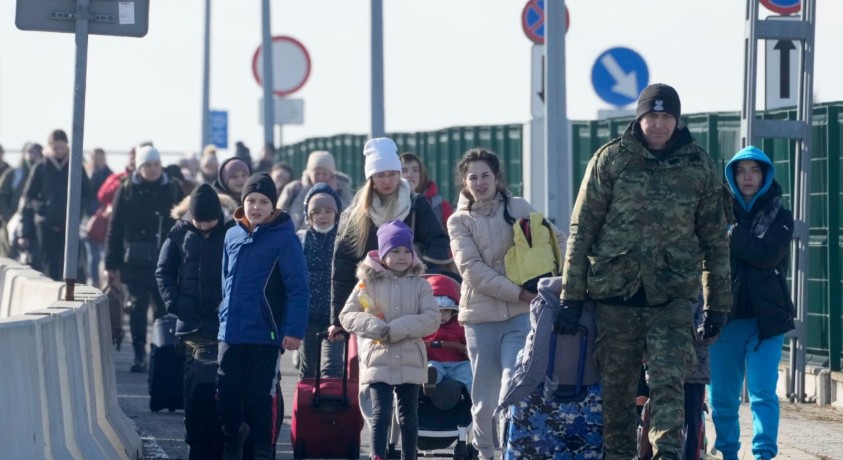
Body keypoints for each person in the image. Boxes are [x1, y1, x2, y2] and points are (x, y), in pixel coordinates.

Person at [556, 83, 731, 460]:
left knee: (669, 384)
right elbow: (582, 229)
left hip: (671, 298)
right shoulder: (611, 160)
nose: (659, 124)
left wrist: (717, 306)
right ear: (639, 117)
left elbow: (716, 241)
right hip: (615, 298)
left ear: (678, 120)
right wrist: (571, 296)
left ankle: (667, 454)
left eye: (668, 116)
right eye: (652, 115)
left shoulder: (699, 165)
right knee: (618, 396)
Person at [447, 147, 564, 460]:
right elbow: (471, 271)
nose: (480, 182)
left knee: (512, 386)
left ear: (496, 177)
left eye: (486, 175)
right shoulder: (458, 221)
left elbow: (555, 241)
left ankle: (513, 452)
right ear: (464, 182)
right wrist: (520, 293)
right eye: (473, 177)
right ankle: (486, 452)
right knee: (484, 399)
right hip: (481, 318)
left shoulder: (518, 207)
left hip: (520, 316)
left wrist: (572, 274)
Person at [708, 146, 794, 460]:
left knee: (762, 393)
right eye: (741, 170)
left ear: (765, 175)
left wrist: (732, 234)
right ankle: (728, 452)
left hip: (767, 321)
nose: (748, 176)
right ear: (731, 174)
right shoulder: (714, 211)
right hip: (723, 318)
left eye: (755, 170)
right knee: (722, 397)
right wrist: (736, 234)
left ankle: (763, 454)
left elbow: (767, 254)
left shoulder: (780, 214)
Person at [217, 172, 308, 460]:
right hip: (230, 333)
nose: (256, 207)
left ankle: (262, 451)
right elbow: (225, 280)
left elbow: (298, 287)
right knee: (226, 396)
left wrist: (293, 330)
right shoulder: (231, 234)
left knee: (260, 400)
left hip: (265, 336)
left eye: (263, 201)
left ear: (273, 206)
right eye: (251, 200)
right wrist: (222, 316)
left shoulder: (285, 240)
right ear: (243, 203)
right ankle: (233, 435)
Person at [328, 137, 451, 342]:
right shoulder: (356, 214)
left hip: (410, 301)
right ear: (371, 178)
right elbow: (342, 266)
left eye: (393, 174)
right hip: (371, 305)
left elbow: (438, 241)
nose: (387, 181)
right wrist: (338, 319)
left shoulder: (415, 204)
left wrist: (422, 274)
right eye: (380, 175)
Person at [339, 220, 440, 460]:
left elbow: (432, 318)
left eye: (407, 250)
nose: (402, 256)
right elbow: (347, 315)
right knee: (380, 413)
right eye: (395, 250)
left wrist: (397, 328)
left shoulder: (420, 285)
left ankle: (409, 456)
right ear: (383, 254)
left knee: (408, 417)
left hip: (410, 358)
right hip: (379, 357)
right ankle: (377, 455)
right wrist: (375, 327)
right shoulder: (367, 284)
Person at [155, 183, 234, 459]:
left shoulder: (233, 232)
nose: (202, 226)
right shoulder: (179, 233)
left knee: (222, 384)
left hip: (224, 323)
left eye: (208, 221)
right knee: (193, 384)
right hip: (190, 325)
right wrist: (174, 303)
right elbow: (164, 271)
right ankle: (196, 438)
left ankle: (222, 440)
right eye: (197, 221)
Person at [105, 145, 185, 372]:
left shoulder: (172, 187)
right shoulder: (127, 189)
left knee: (163, 309)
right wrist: (111, 264)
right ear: (139, 167)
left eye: (156, 164)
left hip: (165, 259)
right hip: (135, 262)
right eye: (147, 165)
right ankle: (139, 352)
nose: (152, 169)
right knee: (138, 306)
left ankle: (159, 352)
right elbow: (115, 227)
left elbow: (184, 222)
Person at [19, 129, 92, 280]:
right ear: (49, 148)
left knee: (71, 267)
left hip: (69, 226)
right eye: (55, 148)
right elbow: (28, 196)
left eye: (62, 147)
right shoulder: (41, 167)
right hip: (46, 226)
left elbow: (87, 193)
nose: (59, 151)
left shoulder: (76, 166)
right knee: (50, 265)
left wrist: (77, 209)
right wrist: (42, 208)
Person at [296, 182, 344, 379]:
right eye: (317, 211)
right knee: (309, 367)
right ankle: (307, 407)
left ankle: (332, 406)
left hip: (336, 316)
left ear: (336, 214)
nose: (323, 216)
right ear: (309, 215)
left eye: (328, 211)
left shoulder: (343, 239)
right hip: (308, 315)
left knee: (332, 367)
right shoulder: (301, 239)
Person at [421, 274, 472, 395]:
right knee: (431, 368)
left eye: (446, 311)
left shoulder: (459, 326)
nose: (442, 316)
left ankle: (478, 403)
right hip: (434, 361)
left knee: (469, 373)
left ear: (453, 311)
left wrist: (467, 349)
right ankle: (429, 381)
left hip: (456, 363)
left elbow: (468, 342)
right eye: (438, 312)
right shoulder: (423, 327)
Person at [277, 150, 353, 230]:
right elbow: (280, 217)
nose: (320, 178)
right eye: (316, 174)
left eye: (324, 174)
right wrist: (305, 191)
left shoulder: (342, 189)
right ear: (309, 173)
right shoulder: (293, 189)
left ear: (331, 174)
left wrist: (333, 193)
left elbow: (349, 218)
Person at [84, 147, 113, 287]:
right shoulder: (86, 175)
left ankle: (103, 282)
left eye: (100, 159)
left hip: (104, 222)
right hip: (88, 220)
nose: (97, 162)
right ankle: (94, 282)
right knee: (92, 256)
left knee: (102, 255)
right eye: (95, 159)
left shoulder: (110, 177)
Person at [400, 152, 453, 227]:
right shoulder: (387, 203)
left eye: (415, 170)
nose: (409, 175)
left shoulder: (441, 206)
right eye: (404, 171)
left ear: (422, 174)